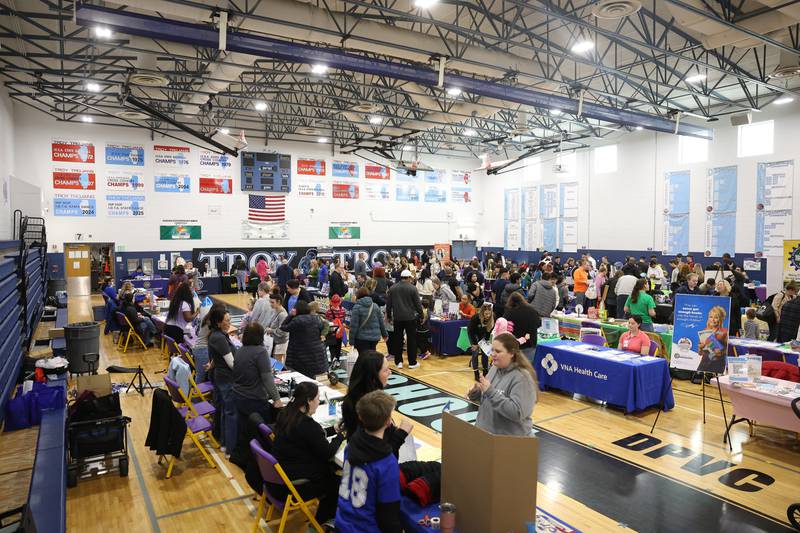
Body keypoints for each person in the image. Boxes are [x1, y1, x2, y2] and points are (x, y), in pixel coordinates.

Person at [271, 382, 343, 526]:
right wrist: (341, 436)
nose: (318, 402)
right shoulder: (307, 425)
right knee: (338, 482)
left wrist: (333, 430)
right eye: (317, 399)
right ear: (308, 401)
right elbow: (327, 452)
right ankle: (321, 522)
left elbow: (311, 438)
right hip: (297, 483)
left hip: (279, 478)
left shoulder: (287, 414)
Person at [335, 390, 402, 533]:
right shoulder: (387, 462)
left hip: (342, 522)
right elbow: (388, 513)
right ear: (388, 421)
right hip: (365, 527)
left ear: (360, 417)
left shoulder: (351, 445)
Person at [340, 351, 412, 454]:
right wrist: (402, 433)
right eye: (385, 370)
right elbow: (379, 451)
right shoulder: (370, 406)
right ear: (373, 377)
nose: (390, 372)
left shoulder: (353, 397)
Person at [467, 332, 536, 436]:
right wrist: (476, 393)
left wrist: (490, 391)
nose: (493, 354)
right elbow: (487, 400)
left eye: (498, 351)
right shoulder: (494, 369)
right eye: (493, 350)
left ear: (511, 353)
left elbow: (517, 413)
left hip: (508, 443)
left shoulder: (523, 378)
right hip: (486, 436)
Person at [232, 323, 283, 428]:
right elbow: (267, 378)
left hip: (238, 397)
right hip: (254, 399)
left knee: (245, 430)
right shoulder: (260, 352)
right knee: (262, 432)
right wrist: (277, 399)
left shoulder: (239, 350)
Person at [207, 306, 238, 452]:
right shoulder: (219, 338)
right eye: (227, 321)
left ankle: (219, 437)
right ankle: (228, 446)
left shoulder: (216, 335)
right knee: (230, 412)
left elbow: (216, 356)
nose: (229, 323)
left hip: (221, 376)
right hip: (226, 378)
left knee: (222, 408)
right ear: (219, 323)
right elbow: (232, 363)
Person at [385, 270, 423, 369]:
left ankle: (399, 362)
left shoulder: (393, 288)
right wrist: (422, 315)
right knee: (411, 340)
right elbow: (418, 305)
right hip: (410, 318)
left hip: (397, 318)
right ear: (409, 278)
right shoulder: (413, 288)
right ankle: (412, 362)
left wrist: (389, 316)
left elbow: (388, 305)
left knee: (398, 339)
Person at [280, 300, 327, 378]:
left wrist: (290, 315)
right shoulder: (317, 318)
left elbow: (283, 327)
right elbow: (325, 326)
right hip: (317, 355)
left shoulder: (297, 320)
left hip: (300, 357)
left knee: (300, 377)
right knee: (312, 378)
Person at [502, 292, 540, 361]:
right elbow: (539, 324)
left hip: (514, 345)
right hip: (530, 344)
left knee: (514, 369)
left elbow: (503, 327)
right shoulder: (532, 311)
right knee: (528, 368)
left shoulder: (508, 313)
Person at [349, 288, 388, 353]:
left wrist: (351, 341)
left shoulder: (357, 307)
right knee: (372, 356)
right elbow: (381, 322)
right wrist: (385, 335)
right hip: (374, 338)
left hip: (361, 338)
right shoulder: (375, 306)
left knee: (363, 358)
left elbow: (353, 326)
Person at [697, 306, 729, 373]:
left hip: (717, 365)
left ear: (721, 319)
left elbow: (727, 351)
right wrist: (700, 348)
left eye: (716, 317)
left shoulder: (725, 332)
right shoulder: (704, 331)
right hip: (704, 364)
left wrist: (721, 352)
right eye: (711, 317)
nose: (713, 320)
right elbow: (700, 353)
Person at [468, 302, 494, 380]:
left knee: (485, 352)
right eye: (486, 314)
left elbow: (489, 332)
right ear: (482, 313)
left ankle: (485, 371)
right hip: (474, 333)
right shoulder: (476, 318)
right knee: (475, 353)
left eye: (489, 314)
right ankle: (476, 373)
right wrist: (475, 344)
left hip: (483, 334)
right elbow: (471, 331)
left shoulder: (492, 318)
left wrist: (485, 342)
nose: (487, 316)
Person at [265, 293, 289, 362]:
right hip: (274, 341)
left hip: (280, 343)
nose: (271, 304)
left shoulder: (283, 314)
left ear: (278, 302)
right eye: (270, 302)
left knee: (277, 363)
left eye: (272, 302)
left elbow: (283, 331)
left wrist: (271, 330)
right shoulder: (275, 310)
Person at [325, 294, 347, 362]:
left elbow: (327, 322)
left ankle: (333, 359)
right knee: (338, 347)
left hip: (331, 332)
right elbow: (343, 321)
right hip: (339, 332)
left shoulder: (328, 311)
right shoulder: (343, 311)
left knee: (332, 347)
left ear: (331, 302)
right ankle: (337, 360)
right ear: (339, 302)